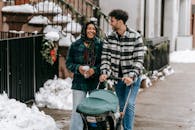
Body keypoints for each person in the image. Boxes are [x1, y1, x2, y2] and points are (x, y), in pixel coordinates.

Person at [99, 9, 145, 130]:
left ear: (120, 22)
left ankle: (128, 128)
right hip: (117, 78)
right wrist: (104, 72)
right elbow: (105, 58)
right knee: (121, 105)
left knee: (129, 104)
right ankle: (122, 127)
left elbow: (139, 60)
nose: (110, 23)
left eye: (112, 21)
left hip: (132, 78)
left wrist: (131, 76)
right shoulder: (109, 38)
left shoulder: (136, 37)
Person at [66, 21, 102, 130]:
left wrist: (94, 70)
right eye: (89, 28)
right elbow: (69, 63)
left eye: (94, 29)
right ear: (84, 30)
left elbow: (104, 63)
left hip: (95, 81)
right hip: (79, 82)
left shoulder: (100, 45)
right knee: (77, 109)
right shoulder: (75, 45)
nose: (92, 31)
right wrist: (78, 68)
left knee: (95, 110)